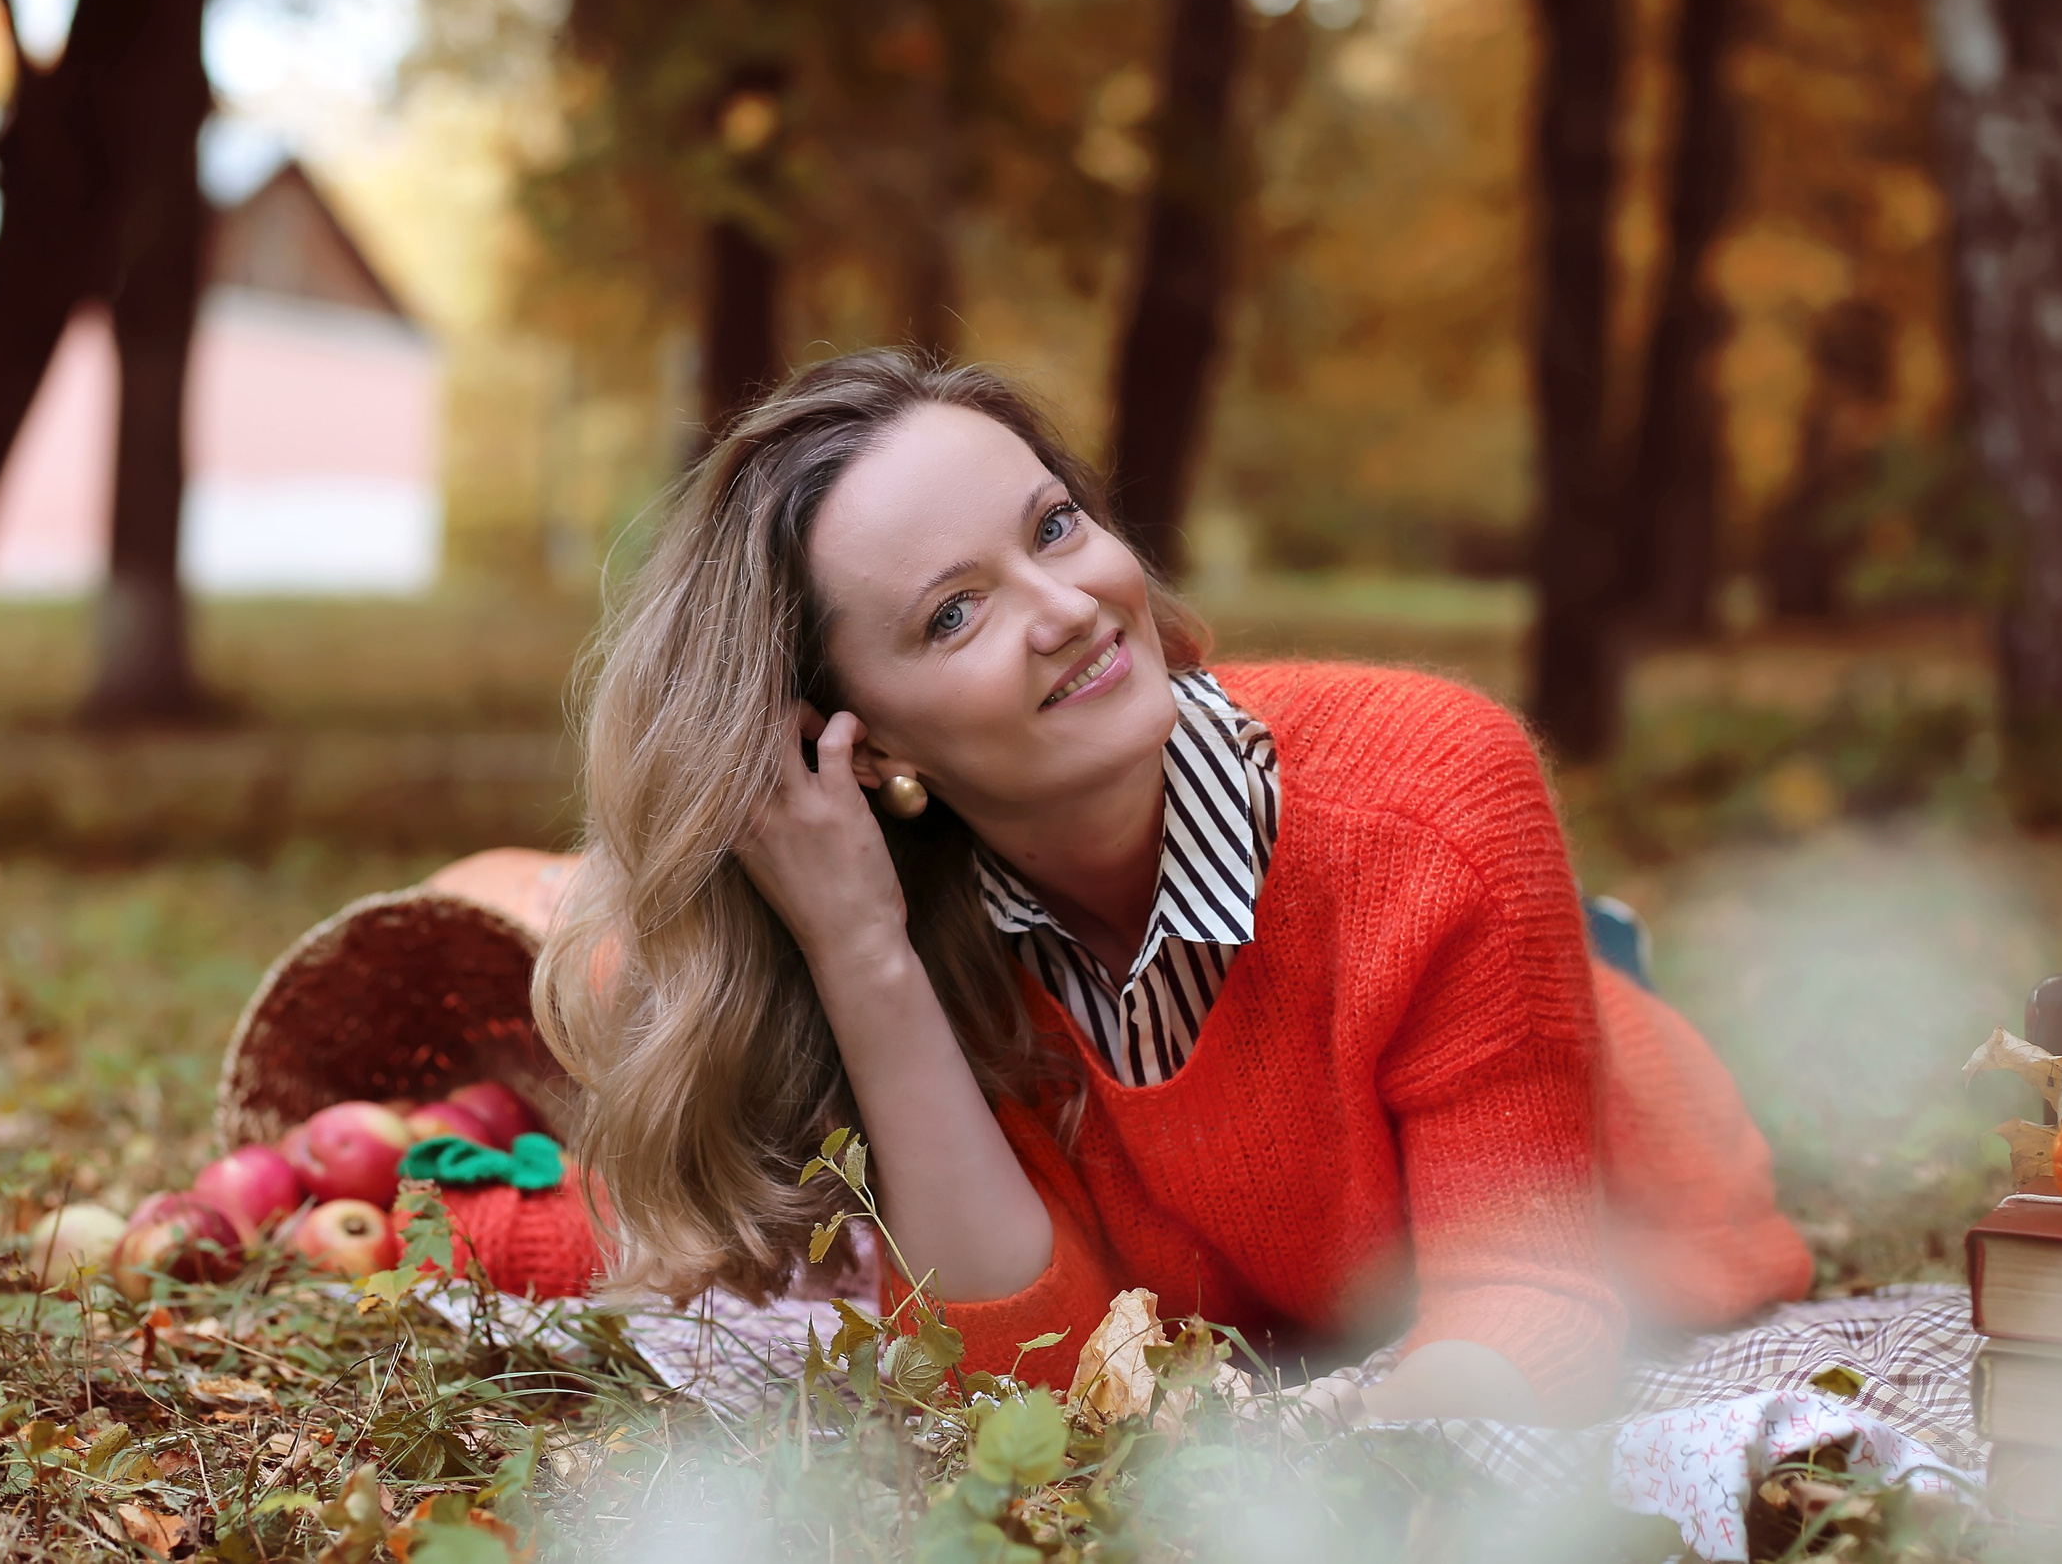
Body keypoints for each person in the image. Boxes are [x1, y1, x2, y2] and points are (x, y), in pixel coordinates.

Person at [533, 349, 1808, 1427]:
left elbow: (1526, 1298)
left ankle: (1599, 955)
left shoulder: (1435, 793)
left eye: (1051, 527)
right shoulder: (930, 931)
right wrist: (863, 956)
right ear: (866, 750)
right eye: (954, 615)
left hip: (1620, 1187)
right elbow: (1034, 1373)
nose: (1067, 607)